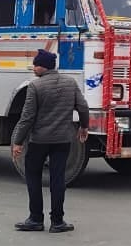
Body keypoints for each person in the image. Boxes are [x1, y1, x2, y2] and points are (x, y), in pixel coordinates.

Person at [11, 49, 89, 233]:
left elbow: (27, 117)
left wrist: (18, 141)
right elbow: (83, 107)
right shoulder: (70, 83)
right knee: (58, 179)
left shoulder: (35, 86)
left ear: (43, 67)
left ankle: (36, 219)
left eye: (35, 65)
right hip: (63, 140)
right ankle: (58, 221)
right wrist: (84, 127)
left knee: (33, 176)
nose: (33, 68)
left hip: (39, 140)